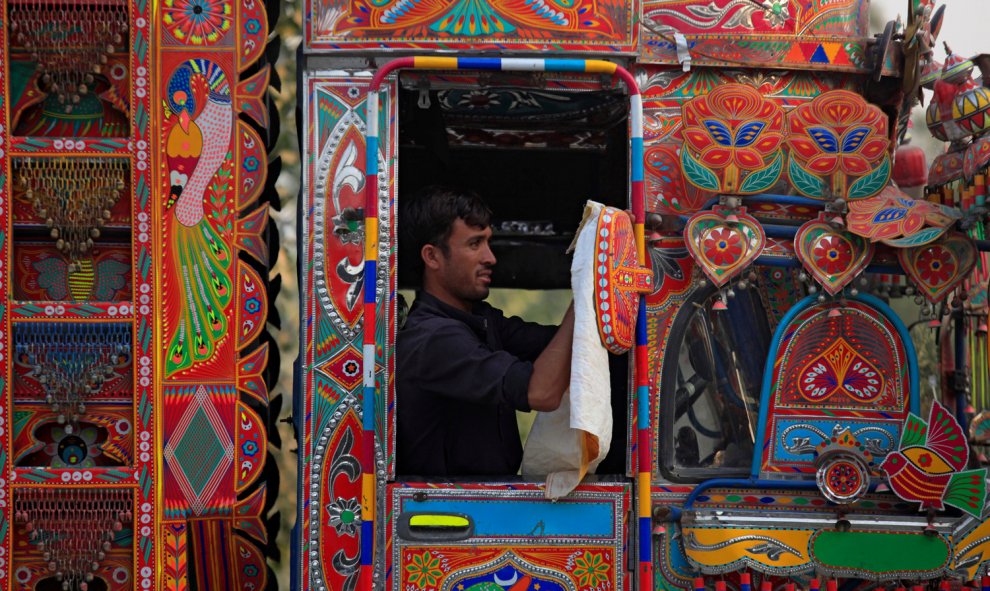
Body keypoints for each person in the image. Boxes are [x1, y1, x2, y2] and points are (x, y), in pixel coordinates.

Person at [396, 186, 575, 477]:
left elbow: (558, 345)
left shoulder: (480, 318)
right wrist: (586, 292)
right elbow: (541, 392)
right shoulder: (432, 339)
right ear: (432, 257)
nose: (490, 257)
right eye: (474, 244)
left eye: (488, 243)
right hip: (449, 517)